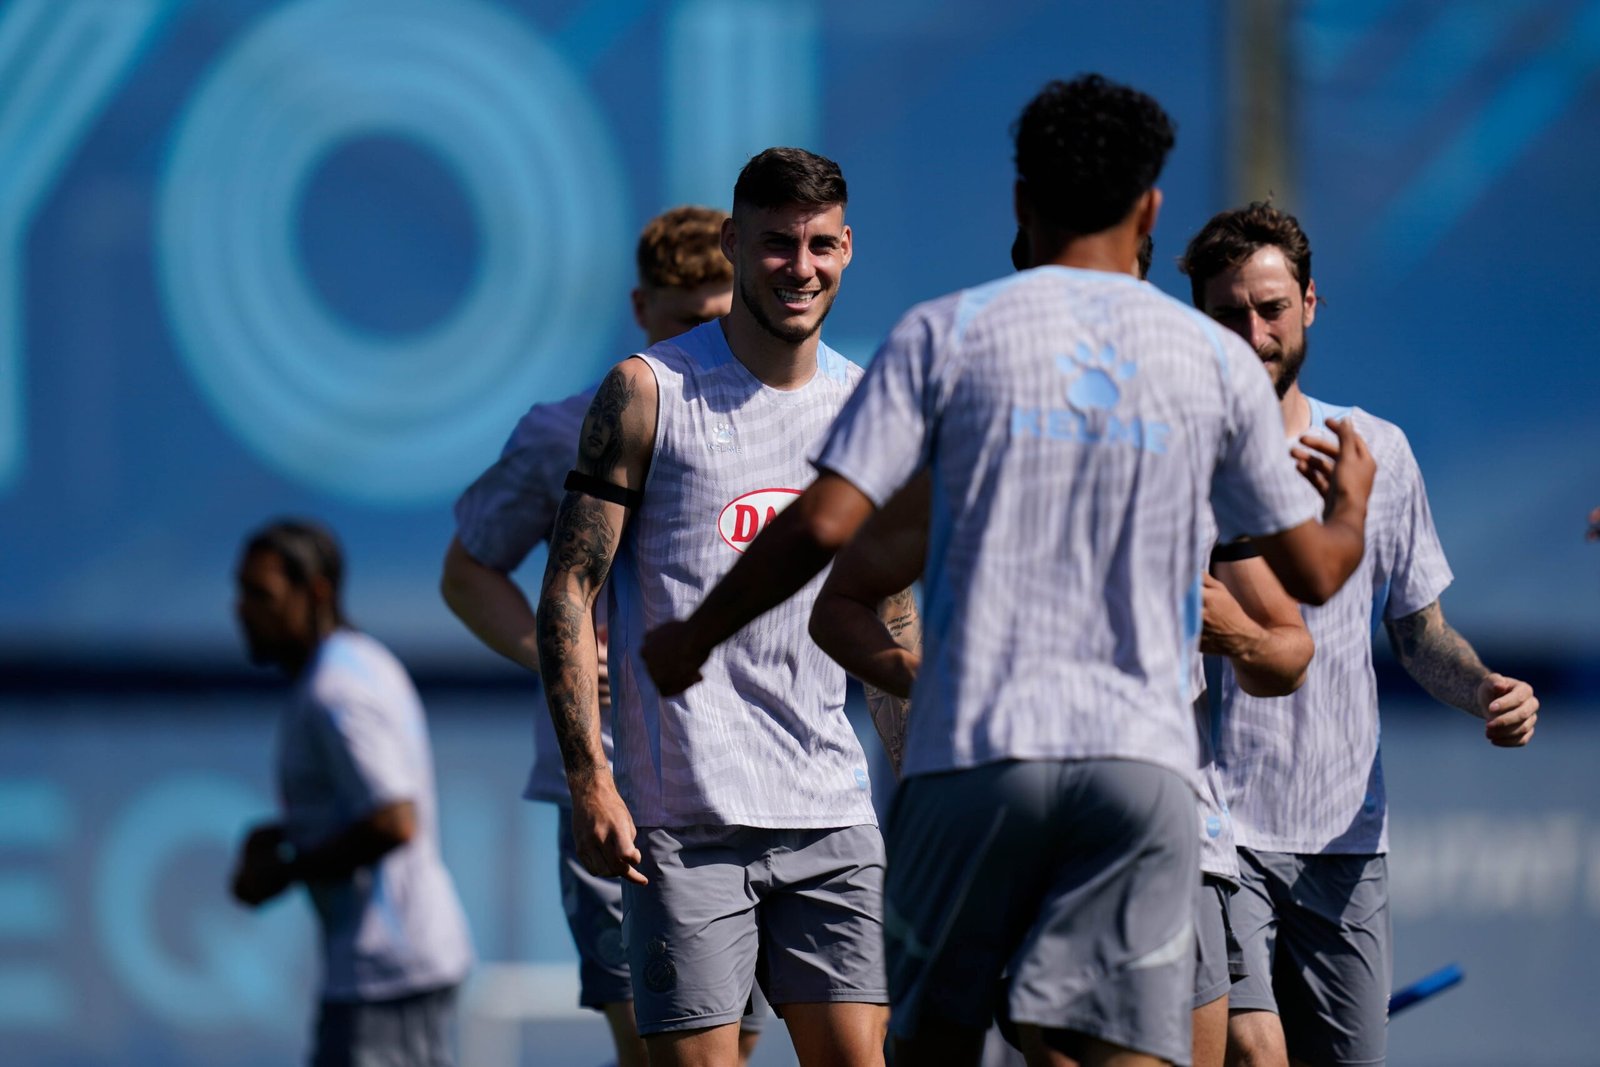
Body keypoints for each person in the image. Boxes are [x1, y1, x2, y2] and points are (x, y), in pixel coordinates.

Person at [641, 75, 1377, 1067]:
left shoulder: (946, 333)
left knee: (932, 1045)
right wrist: (1350, 504)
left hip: (977, 761)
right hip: (1137, 772)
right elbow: (1318, 575)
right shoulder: (1210, 360)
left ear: (1023, 202)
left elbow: (823, 521)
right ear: (1149, 210)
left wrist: (694, 635)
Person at [806, 238, 1314, 1067]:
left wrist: (1238, 635)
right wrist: (920, 680)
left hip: (1159, 820)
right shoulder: (970, 438)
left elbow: (1290, 649)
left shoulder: (1194, 434)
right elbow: (842, 603)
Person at [535, 147, 889, 1067]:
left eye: (820, 245)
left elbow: (886, 609)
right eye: (776, 244)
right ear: (733, 243)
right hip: (684, 826)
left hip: (831, 811)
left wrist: (924, 775)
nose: (800, 268)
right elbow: (569, 588)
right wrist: (590, 779)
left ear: (848, 248)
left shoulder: (866, 406)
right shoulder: (646, 391)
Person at [1178, 201, 1540, 1067]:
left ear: (1310, 302)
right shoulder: (1171, 456)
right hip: (1213, 832)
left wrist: (1486, 690)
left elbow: (1418, 633)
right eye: (1229, 313)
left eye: (1271, 308)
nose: (1253, 333)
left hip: (1346, 840)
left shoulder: (1378, 452)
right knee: (1254, 1052)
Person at [440, 205, 768, 1066]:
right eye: (686, 318)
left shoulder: (780, 423)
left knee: (733, 1048)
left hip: (752, 783)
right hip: (616, 784)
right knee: (660, 1048)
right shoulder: (566, 430)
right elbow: (468, 571)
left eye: (723, 316)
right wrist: (556, 655)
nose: (707, 339)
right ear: (641, 307)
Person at [229, 518, 473, 1067]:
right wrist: (283, 833)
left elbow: (393, 819)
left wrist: (286, 868)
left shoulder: (336, 690)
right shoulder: (358, 662)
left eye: (260, 594)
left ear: (315, 593)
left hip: (388, 971)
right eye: (240, 592)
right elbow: (361, 804)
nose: (241, 609)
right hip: (387, 971)